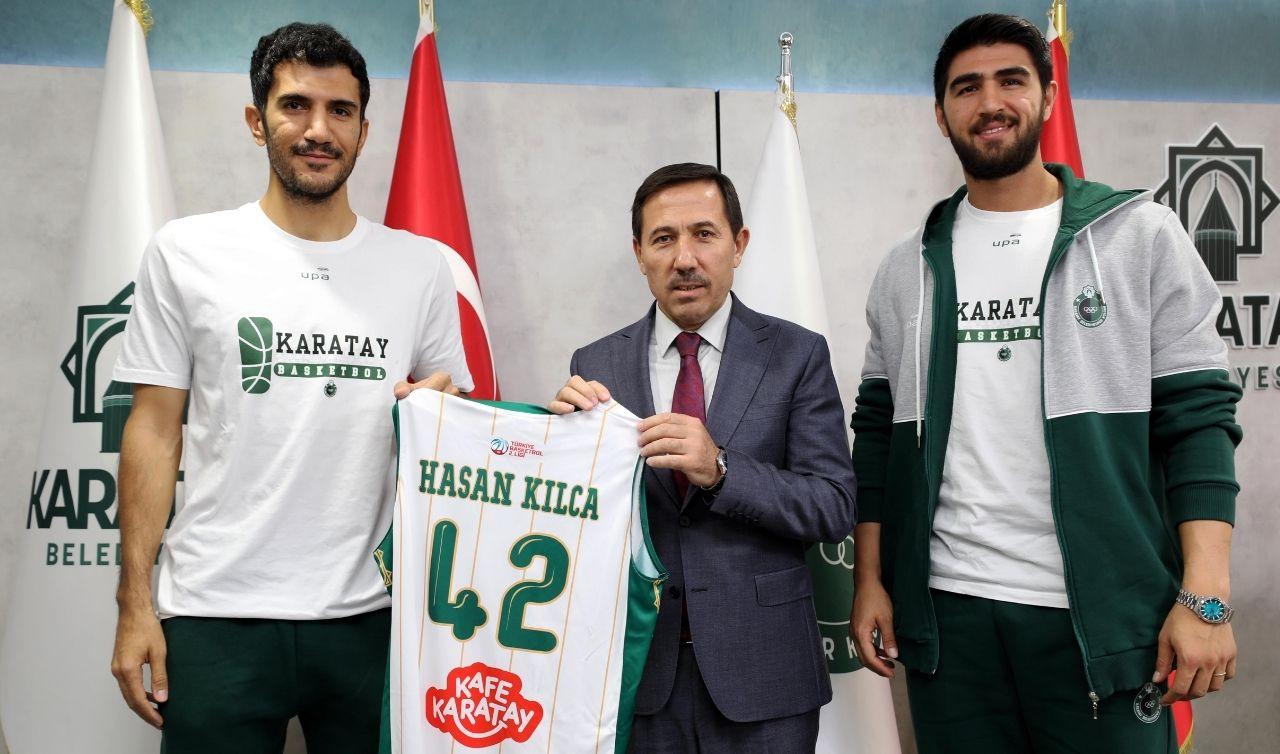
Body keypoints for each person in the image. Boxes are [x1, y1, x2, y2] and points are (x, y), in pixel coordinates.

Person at [849, 13, 1241, 753]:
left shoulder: (1139, 237)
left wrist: (1207, 597)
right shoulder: (906, 268)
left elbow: (1198, 423)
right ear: (941, 114)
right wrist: (870, 579)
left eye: (1011, 81)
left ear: (1049, 96)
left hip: (1104, 621)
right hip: (950, 626)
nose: (990, 102)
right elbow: (876, 438)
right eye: (967, 87)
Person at [108, 22, 471, 754]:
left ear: (364, 130)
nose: (318, 130)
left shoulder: (421, 266)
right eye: (295, 105)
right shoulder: (187, 251)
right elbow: (153, 428)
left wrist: (442, 409)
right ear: (256, 119)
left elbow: (453, 413)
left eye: (340, 111)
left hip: (373, 614)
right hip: (214, 612)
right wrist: (133, 601)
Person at [549, 163, 856, 752]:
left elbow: (833, 505)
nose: (684, 258)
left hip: (765, 677)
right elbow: (578, 521)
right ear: (639, 254)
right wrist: (559, 449)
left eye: (704, 234)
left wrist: (721, 471)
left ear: (739, 245)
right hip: (638, 675)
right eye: (663, 239)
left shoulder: (796, 354)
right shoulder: (596, 364)